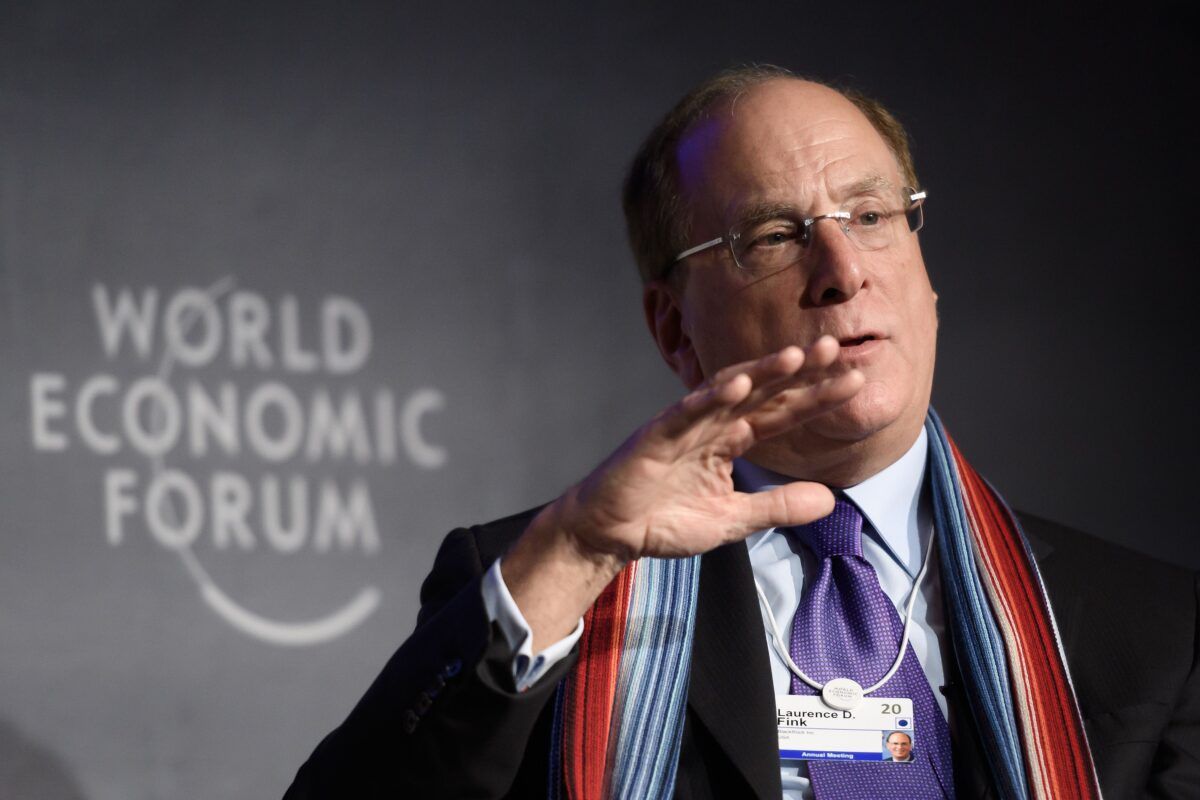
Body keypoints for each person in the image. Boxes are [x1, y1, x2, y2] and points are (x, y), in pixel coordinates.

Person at [285, 66, 1199, 799]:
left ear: (926, 281)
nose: (843, 269)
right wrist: (573, 555)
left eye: (872, 216)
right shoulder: (546, 585)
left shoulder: (1155, 628)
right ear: (674, 328)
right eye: (772, 236)